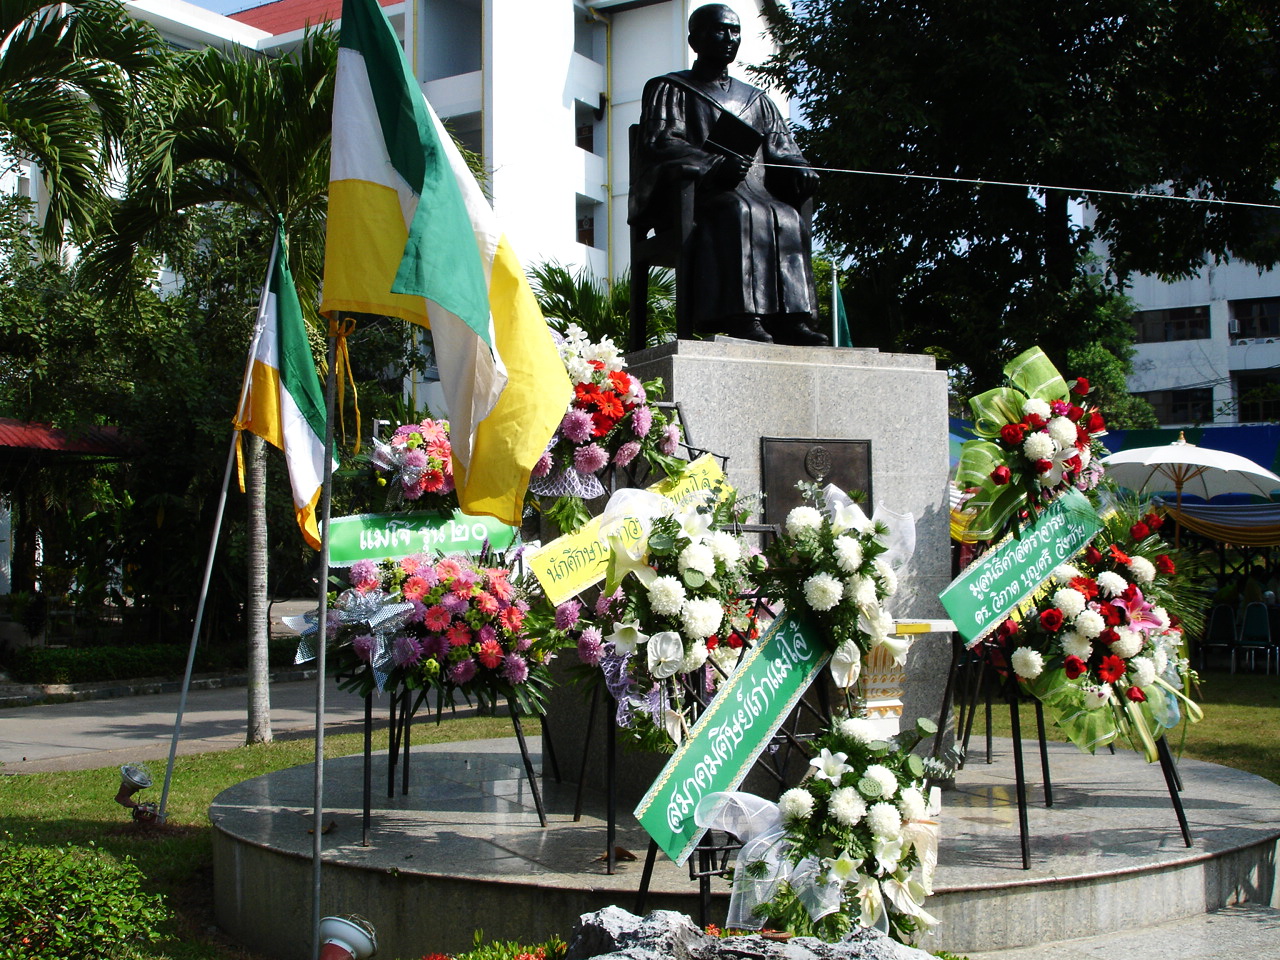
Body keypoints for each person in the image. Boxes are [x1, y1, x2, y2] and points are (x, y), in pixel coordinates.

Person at [629, 3, 827, 346]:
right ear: (694, 40)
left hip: (756, 192)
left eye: (735, 31)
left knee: (787, 216)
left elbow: (782, 148)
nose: (729, 38)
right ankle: (742, 318)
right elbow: (660, 141)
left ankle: (792, 320)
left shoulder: (758, 100)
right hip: (696, 198)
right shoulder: (670, 88)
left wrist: (800, 168)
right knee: (738, 211)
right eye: (720, 30)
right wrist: (714, 164)